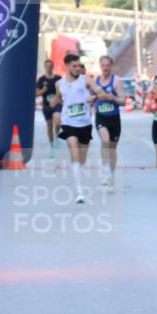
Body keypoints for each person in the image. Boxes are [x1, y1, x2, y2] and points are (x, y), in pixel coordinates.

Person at [51, 53, 99, 203]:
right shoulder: (59, 83)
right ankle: (79, 192)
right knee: (74, 151)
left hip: (84, 123)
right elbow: (59, 97)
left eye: (79, 65)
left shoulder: (87, 80)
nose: (78, 68)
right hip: (68, 122)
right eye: (74, 66)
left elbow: (100, 92)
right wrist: (52, 104)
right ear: (67, 66)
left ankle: (77, 172)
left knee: (81, 159)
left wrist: (94, 97)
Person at [93, 55, 126, 191]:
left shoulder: (116, 81)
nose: (105, 67)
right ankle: (105, 169)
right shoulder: (95, 82)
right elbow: (89, 98)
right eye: (103, 65)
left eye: (107, 65)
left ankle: (111, 175)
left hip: (114, 118)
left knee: (112, 149)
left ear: (111, 66)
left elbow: (123, 101)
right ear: (100, 66)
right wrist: (93, 99)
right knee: (105, 141)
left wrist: (114, 98)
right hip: (101, 117)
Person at [36, 59, 62, 152]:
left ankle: (57, 135)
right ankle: (52, 145)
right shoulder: (41, 79)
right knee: (49, 127)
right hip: (46, 106)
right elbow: (37, 93)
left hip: (57, 104)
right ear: (44, 67)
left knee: (58, 121)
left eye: (50, 66)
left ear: (52, 67)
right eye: (47, 66)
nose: (48, 68)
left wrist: (59, 96)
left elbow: (64, 91)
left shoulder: (58, 78)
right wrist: (43, 90)